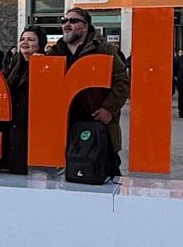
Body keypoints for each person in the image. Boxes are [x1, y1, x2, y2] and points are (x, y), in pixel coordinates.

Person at [51, 8, 130, 154]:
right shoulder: (55, 51)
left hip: (96, 122)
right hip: (65, 123)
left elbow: (122, 81)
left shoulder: (103, 48)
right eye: (64, 21)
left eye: (73, 21)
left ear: (86, 26)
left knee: (101, 169)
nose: (67, 24)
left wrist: (109, 109)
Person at [0, 25, 44, 174]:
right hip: (12, 125)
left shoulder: (46, 65)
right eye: (22, 39)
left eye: (31, 39)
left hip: (31, 126)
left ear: (40, 44)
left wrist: (43, 66)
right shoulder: (15, 65)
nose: (25, 42)